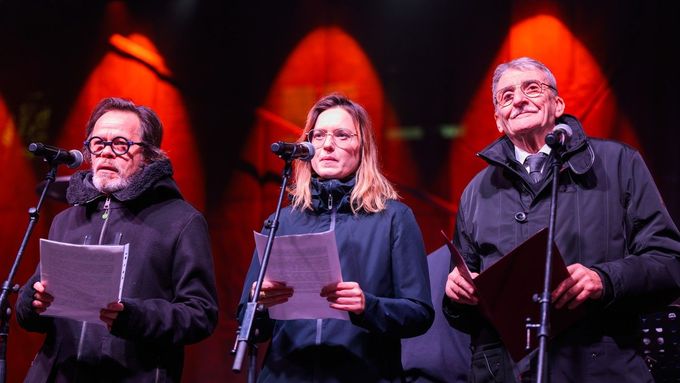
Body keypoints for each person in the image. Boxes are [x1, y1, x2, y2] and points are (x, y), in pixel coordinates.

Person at [443, 57, 680, 382]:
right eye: (506, 96)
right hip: (507, 372)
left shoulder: (619, 164)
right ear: (498, 120)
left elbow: (669, 263)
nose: (519, 100)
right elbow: (465, 313)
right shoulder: (476, 192)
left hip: (598, 367)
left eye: (532, 88)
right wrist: (457, 294)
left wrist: (604, 279)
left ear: (557, 104)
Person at [16, 97, 219, 382]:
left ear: (148, 155)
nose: (106, 153)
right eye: (98, 143)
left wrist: (133, 317)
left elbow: (200, 314)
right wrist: (32, 301)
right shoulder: (67, 220)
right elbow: (34, 312)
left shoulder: (182, 221)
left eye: (121, 144)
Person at [237, 93, 434, 382]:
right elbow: (247, 324)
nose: (328, 145)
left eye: (342, 135)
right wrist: (260, 303)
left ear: (362, 147)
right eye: (319, 136)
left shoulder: (393, 218)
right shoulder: (282, 220)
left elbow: (419, 314)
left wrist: (369, 306)